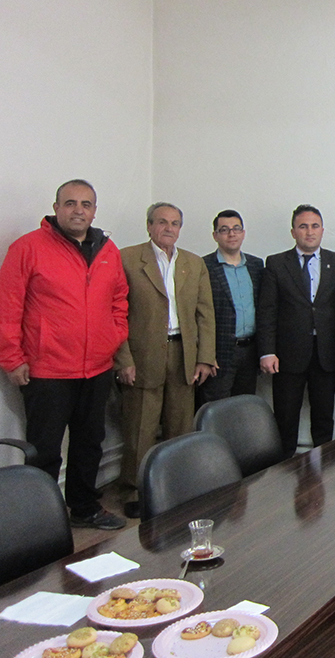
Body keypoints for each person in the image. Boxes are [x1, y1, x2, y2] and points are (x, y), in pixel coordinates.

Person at [0, 179, 128, 530]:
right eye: (70, 203)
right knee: (44, 448)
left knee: (89, 443)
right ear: (56, 208)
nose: (78, 210)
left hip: (97, 367)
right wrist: (12, 358)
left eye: (86, 204)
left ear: (94, 211)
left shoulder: (108, 250)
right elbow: (7, 306)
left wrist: (114, 336)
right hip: (47, 370)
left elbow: (119, 298)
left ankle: (85, 508)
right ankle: (38, 521)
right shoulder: (28, 248)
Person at [116, 202, 216, 518]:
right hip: (142, 354)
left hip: (183, 353)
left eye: (174, 223)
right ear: (149, 226)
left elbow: (205, 314)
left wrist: (205, 357)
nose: (168, 228)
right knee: (140, 428)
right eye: (161, 222)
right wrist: (123, 359)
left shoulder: (193, 263)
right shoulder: (127, 259)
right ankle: (136, 491)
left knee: (180, 426)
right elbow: (114, 312)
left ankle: (177, 487)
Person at [257, 205, 335, 457]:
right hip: (287, 355)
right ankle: (283, 467)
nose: (309, 232)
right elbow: (267, 311)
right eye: (303, 226)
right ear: (293, 231)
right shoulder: (276, 263)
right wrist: (267, 351)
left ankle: (324, 467)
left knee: (324, 417)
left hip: (326, 353)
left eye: (314, 226)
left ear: (322, 230)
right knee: (285, 418)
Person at [198, 210, 264, 408]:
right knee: (216, 409)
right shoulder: (203, 266)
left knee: (244, 408)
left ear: (243, 233)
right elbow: (198, 314)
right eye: (224, 230)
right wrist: (205, 355)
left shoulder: (256, 265)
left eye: (236, 229)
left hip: (250, 351)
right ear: (215, 235)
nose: (231, 234)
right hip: (219, 354)